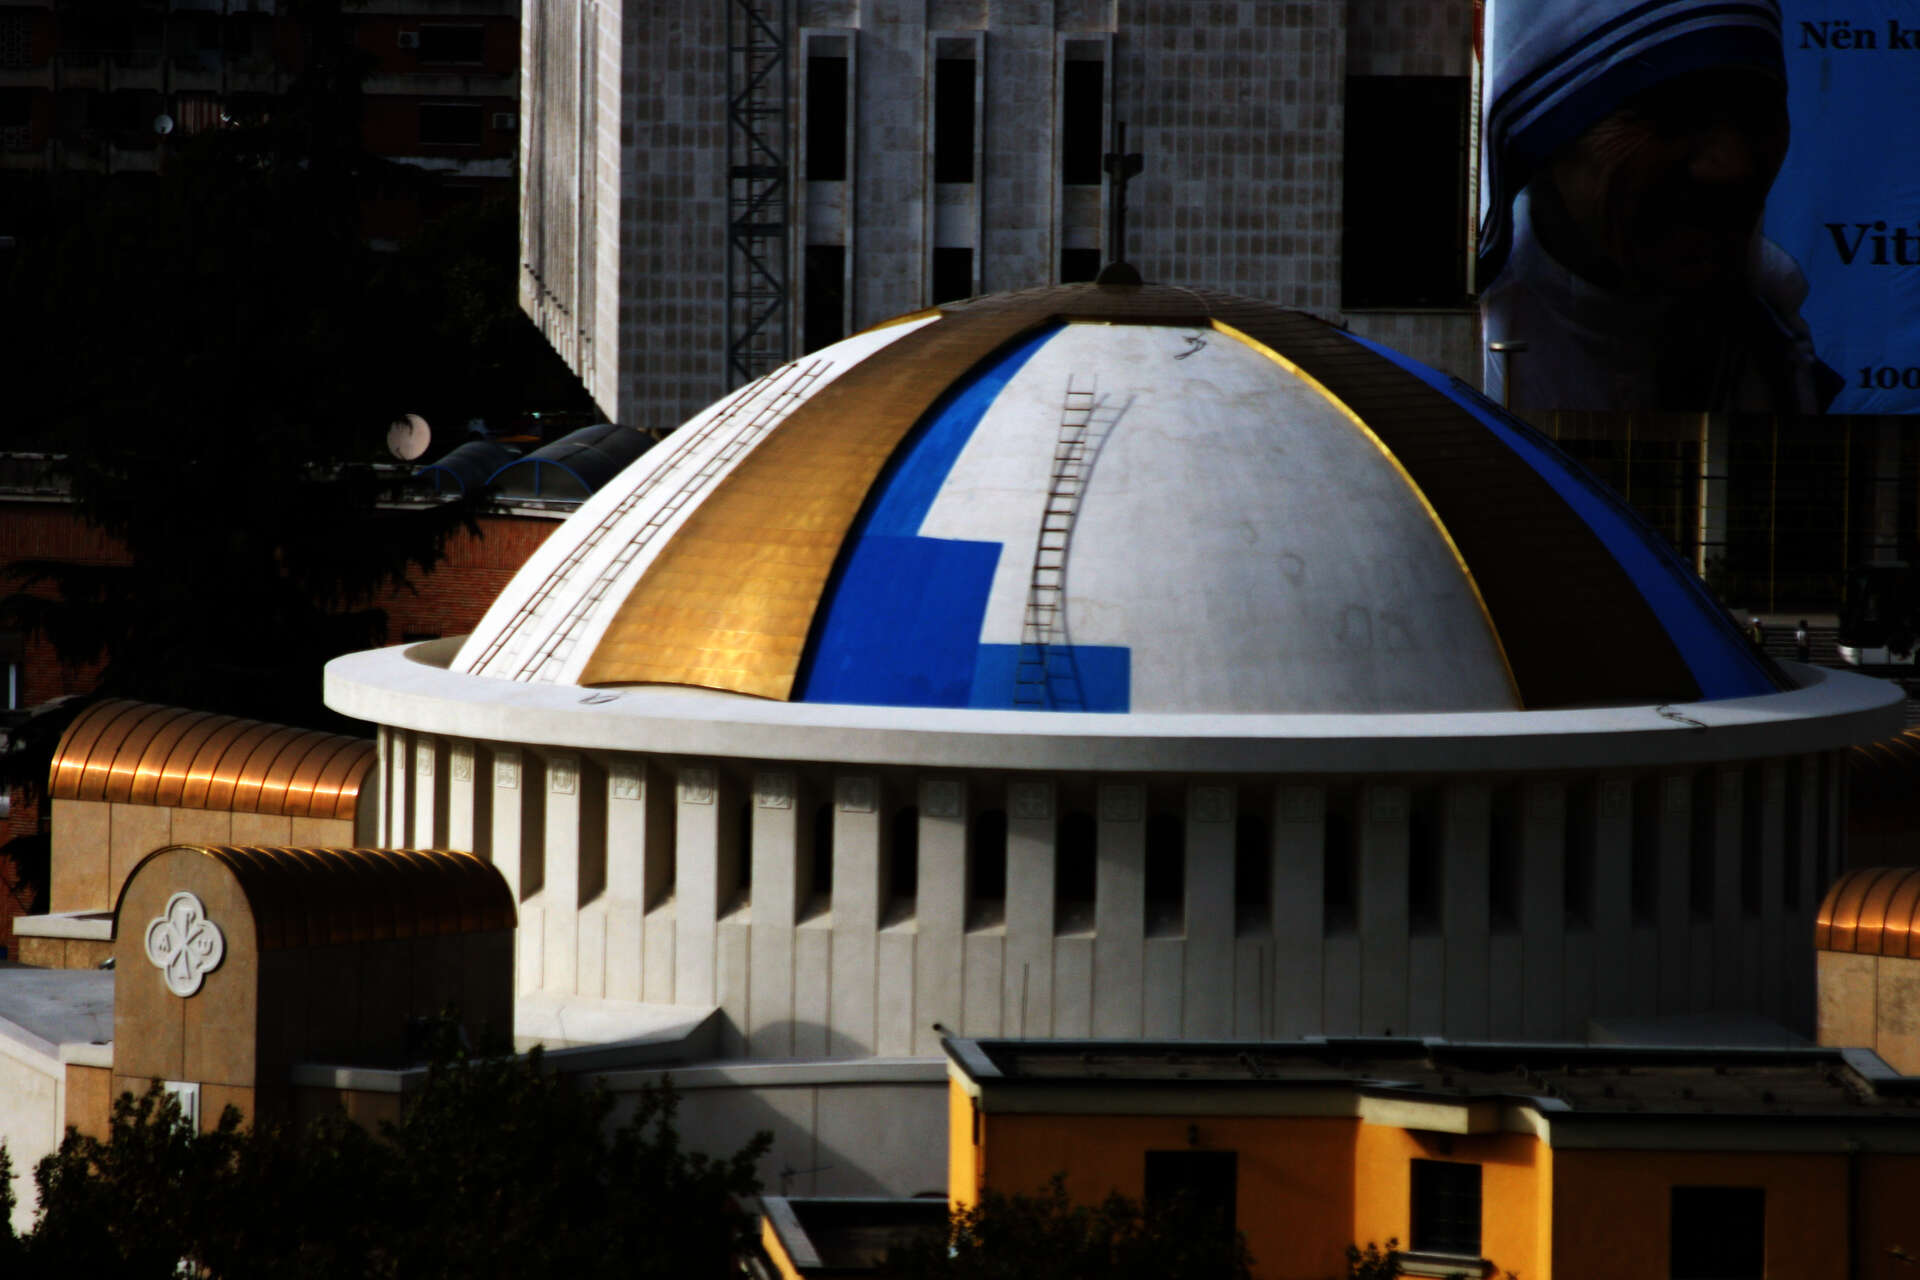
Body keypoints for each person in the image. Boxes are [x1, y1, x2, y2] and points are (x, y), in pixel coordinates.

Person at [1479, 0, 1841, 414]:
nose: (1732, 165)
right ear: (1542, 134)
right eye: (1670, 113)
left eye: (1756, 114)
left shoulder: (1774, 344)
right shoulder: (1470, 357)